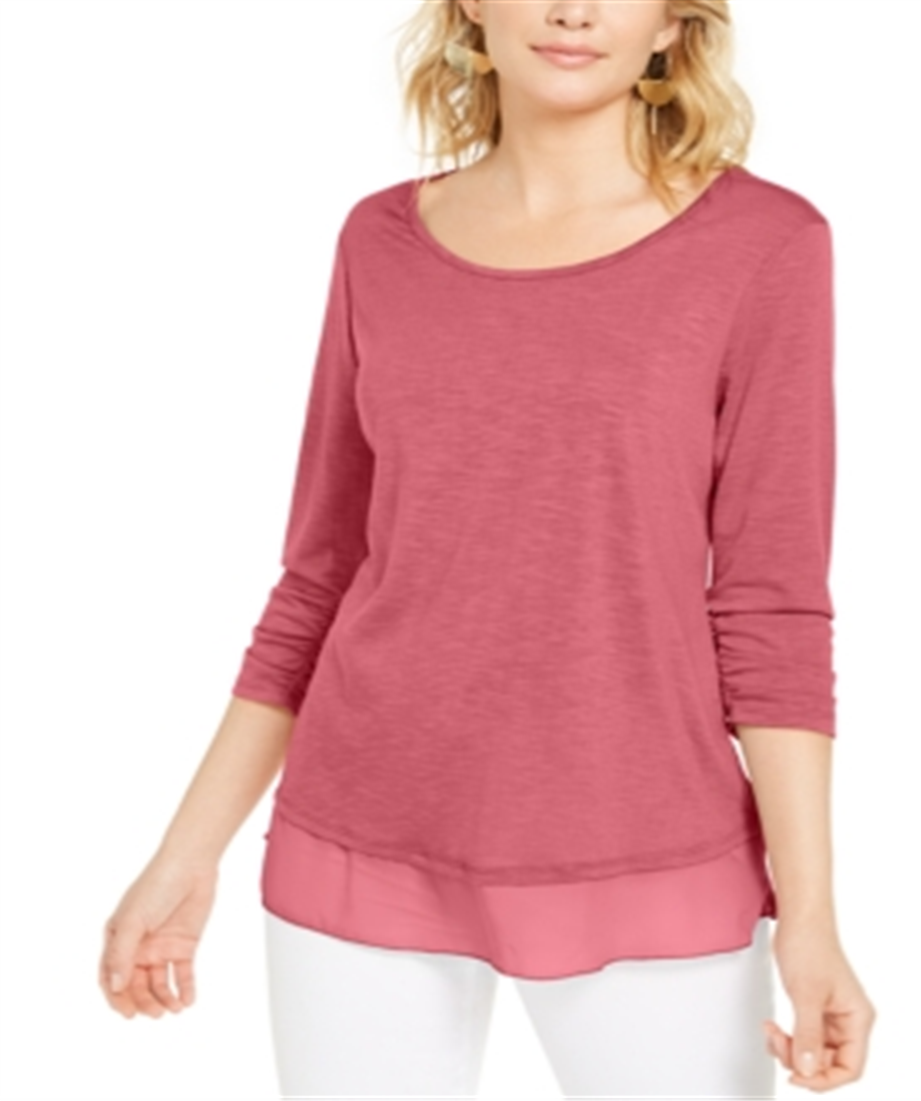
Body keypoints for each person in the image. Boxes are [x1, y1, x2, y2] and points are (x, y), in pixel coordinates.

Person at [98, 1, 877, 1096]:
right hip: (360, 833)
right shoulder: (379, 240)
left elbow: (771, 603)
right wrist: (186, 855)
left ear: (671, 23)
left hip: (647, 845)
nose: (573, 11)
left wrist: (812, 918)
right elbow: (323, 575)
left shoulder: (765, 246)